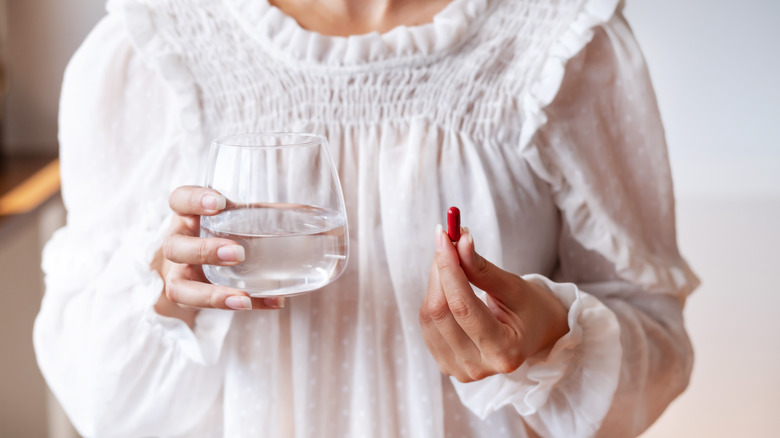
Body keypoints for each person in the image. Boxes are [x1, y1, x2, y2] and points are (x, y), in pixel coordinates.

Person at [33, 0, 700, 436]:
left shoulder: (561, 36)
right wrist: (168, 293)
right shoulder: (152, 43)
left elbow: (658, 345)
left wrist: (546, 338)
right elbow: (100, 400)